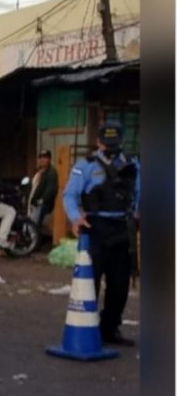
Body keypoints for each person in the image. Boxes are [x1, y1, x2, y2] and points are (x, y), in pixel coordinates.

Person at [63, 123, 140, 347]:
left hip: (122, 228)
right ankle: (87, 328)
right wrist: (75, 218)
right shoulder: (85, 165)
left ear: (121, 142)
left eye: (115, 144)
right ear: (98, 142)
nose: (111, 148)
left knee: (120, 285)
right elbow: (70, 195)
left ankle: (110, 328)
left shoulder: (132, 165)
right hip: (95, 227)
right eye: (107, 144)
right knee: (90, 282)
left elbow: (140, 193)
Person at [28, 150, 59, 230]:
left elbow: (51, 190)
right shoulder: (39, 172)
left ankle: (34, 239)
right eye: (40, 157)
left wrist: (41, 200)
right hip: (33, 201)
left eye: (45, 157)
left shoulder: (51, 173)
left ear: (49, 159)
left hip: (43, 204)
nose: (42, 160)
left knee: (34, 224)